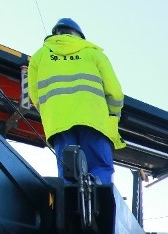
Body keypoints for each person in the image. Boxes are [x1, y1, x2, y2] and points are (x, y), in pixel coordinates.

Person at [28, 18, 125, 184]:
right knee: (100, 166)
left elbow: (35, 96)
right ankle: (99, 198)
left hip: (59, 123)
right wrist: (112, 115)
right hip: (95, 122)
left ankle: (70, 206)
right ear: (79, 35)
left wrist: (52, 113)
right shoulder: (94, 54)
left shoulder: (39, 57)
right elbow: (115, 93)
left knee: (68, 171)